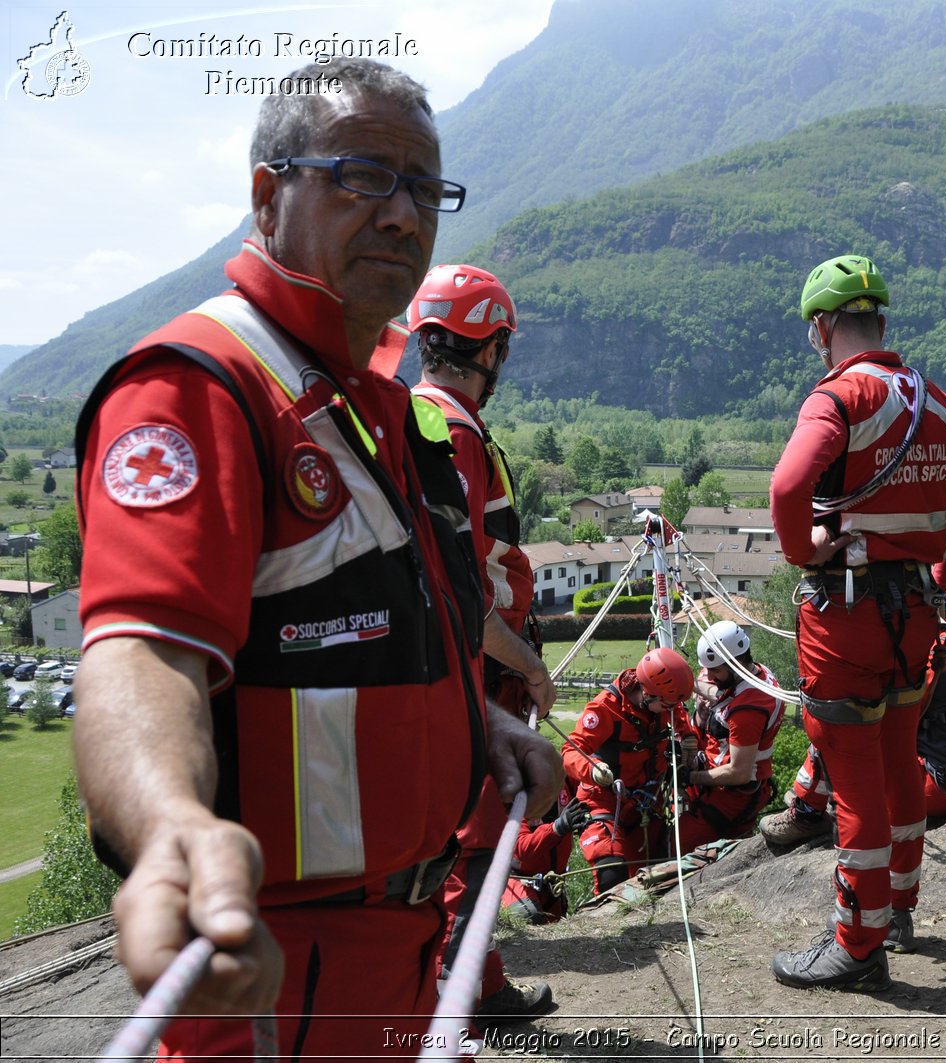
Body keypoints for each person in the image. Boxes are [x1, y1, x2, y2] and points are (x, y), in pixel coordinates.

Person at [70, 58, 562, 1059]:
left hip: (401, 947)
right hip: (276, 970)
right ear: (267, 193)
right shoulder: (201, 389)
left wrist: (480, 735)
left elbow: (409, 627)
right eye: (362, 176)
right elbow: (143, 649)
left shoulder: (382, 408)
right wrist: (169, 824)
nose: (400, 214)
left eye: (424, 188)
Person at [767, 254, 946, 992]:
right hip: (916, 618)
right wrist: (934, 584)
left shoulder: (838, 399)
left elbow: (790, 485)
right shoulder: (944, 407)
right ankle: (899, 909)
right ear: (881, 322)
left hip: (845, 616)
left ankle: (857, 946)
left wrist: (806, 549)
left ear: (823, 328)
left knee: (854, 779)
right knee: (899, 763)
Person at [407, 264, 560, 1022]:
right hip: (479, 666)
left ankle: (479, 982)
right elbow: (466, 585)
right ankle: (467, 995)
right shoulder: (457, 435)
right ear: (491, 349)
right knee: (479, 837)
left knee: (465, 836)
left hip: (444, 662)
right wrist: (527, 666)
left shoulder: (409, 418)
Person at [762, 606, 946, 846]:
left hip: (939, 790)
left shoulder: (928, 656)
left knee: (837, 723)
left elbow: (894, 718)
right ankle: (813, 795)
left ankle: (806, 813)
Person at [562, 648, 696, 895]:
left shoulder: (663, 701)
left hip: (643, 803)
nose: (672, 709)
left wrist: (687, 736)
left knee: (660, 872)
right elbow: (570, 752)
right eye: (667, 704)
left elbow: (678, 713)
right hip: (604, 802)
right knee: (612, 873)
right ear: (647, 693)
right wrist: (593, 769)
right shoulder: (605, 709)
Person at [671, 620, 784, 853]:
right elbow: (714, 686)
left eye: (716, 671)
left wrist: (691, 777)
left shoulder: (749, 708)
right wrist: (695, 684)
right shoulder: (749, 673)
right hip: (716, 777)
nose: (710, 676)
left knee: (676, 845)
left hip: (734, 793)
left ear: (736, 663)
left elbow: (739, 772)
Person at [501, 792, 590, 924]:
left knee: (557, 928)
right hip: (518, 880)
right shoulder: (513, 795)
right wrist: (557, 828)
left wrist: (589, 820)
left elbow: (590, 791)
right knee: (528, 916)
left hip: (552, 884)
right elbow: (521, 848)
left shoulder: (564, 785)